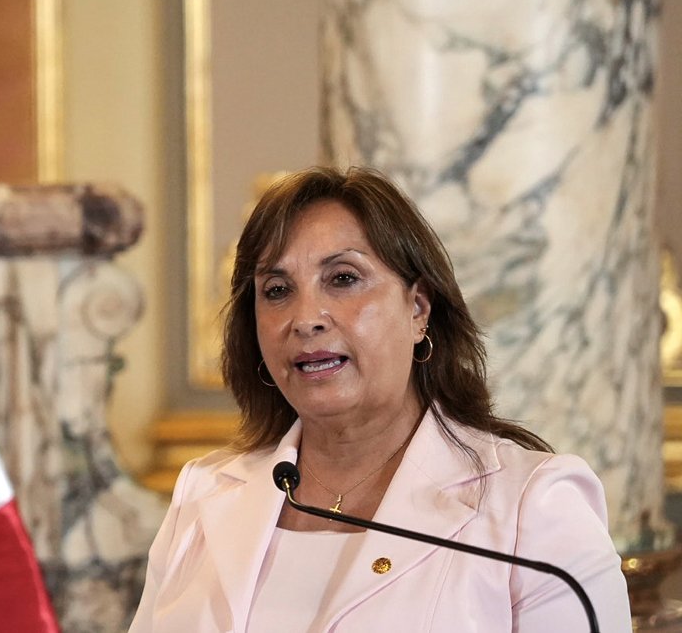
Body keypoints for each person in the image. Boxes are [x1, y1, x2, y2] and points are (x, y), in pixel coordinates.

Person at [130, 167, 631, 632]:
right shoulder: (203, 496)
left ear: (418, 309)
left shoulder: (532, 506)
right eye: (277, 290)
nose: (306, 318)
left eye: (343, 279)